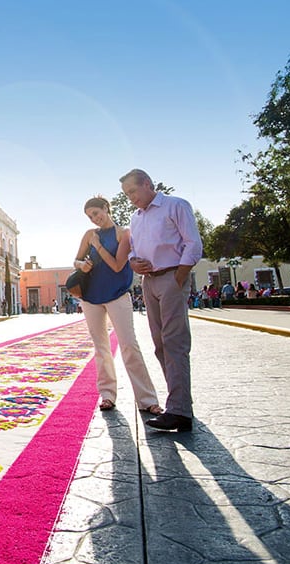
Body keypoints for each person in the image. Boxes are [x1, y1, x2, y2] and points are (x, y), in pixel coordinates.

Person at [122, 169, 203, 432]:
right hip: (149, 281)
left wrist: (180, 275)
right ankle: (181, 404)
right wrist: (134, 262)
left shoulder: (175, 205)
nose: (131, 198)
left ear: (147, 184)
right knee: (159, 345)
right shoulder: (135, 218)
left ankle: (179, 410)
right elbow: (133, 249)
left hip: (171, 276)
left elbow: (193, 242)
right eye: (127, 194)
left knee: (175, 342)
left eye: (133, 191)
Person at [73, 195, 162, 414]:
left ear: (106, 208)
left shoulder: (124, 233)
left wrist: (98, 246)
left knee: (129, 345)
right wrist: (82, 265)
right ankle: (107, 395)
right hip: (91, 297)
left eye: (96, 213)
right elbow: (75, 260)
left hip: (118, 295)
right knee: (100, 347)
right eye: (89, 216)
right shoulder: (88, 234)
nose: (94, 219)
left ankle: (147, 399)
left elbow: (116, 265)